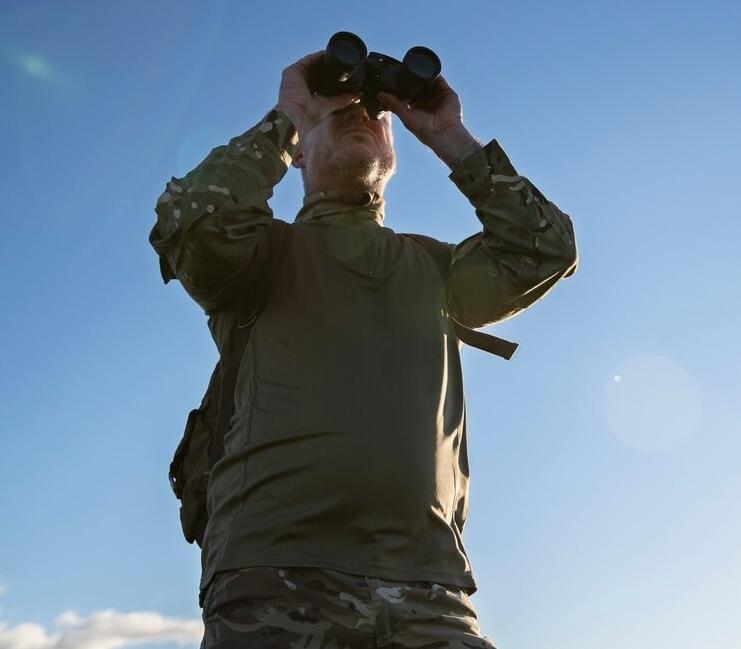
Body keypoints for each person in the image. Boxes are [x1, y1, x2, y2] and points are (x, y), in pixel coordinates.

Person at [148, 49, 579, 649]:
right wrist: (291, 114)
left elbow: (545, 250)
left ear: (395, 152)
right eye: (338, 111)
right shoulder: (257, 255)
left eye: (376, 112)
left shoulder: (435, 270)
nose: (359, 116)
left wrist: (451, 138)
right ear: (299, 152)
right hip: (275, 579)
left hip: (431, 589)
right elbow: (192, 217)